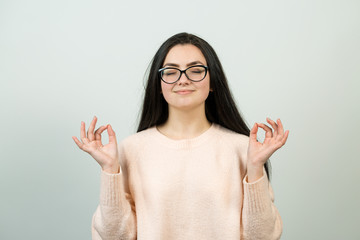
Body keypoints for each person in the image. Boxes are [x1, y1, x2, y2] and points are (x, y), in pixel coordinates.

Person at [72, 32, 289, 240]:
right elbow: (114, 237)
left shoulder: (243, 149)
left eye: (195, 70)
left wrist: (255, 167)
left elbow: (263, 237)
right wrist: (109, 170)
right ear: (159, 84)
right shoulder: (130, 150)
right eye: (171, 71)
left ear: (213, 81)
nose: (183, 79)